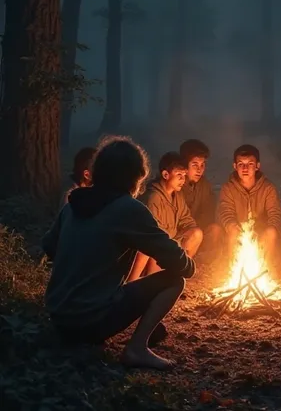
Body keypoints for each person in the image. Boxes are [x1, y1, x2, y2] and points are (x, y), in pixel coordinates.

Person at [42, 136, 195, 370]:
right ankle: (136, 349)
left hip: (58, 317)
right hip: (89, 321)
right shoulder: (127, 208)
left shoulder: (74, 203)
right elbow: (181, 264)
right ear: (135, 176)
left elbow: (49, 246)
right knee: (174, 281)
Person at [218, 144, 281, 263]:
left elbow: (275, 213)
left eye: (250, 164)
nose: (245, 168)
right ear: (235, 166)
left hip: (261, 232)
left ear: (257, 166)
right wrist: (232, 225)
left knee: (271, 232)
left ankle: (267, 268)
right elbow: (225, 211)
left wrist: (269, 229)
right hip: (238, 232)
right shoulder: (228, 188)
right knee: (233, 231)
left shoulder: (268, 188)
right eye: (241, 164)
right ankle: (233, 268)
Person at [139, 152, 204, 271]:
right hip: (155, 249)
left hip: (171, 244)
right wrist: (172, 247)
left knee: (196, 234)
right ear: (165, 174)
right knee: (155, 255)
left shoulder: (177, 196)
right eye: (178, 174)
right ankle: (149, 278)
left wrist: (184, 236)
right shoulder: (153, 197)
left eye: (184, 175)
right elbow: (153, 236)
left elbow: (187, 220)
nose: (182, 179)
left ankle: (180, 271)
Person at [180, 139, 222, 255]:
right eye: (195, 165)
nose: (199, 170)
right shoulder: (176, 184)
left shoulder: (204, 185)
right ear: (185, 165)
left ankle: (203, 262)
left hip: (198, 230)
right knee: (195, 234)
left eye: (202, 165)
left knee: (215, 230)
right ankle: (183, 264)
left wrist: (199, 227)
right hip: (179, 233)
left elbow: (208, 212)